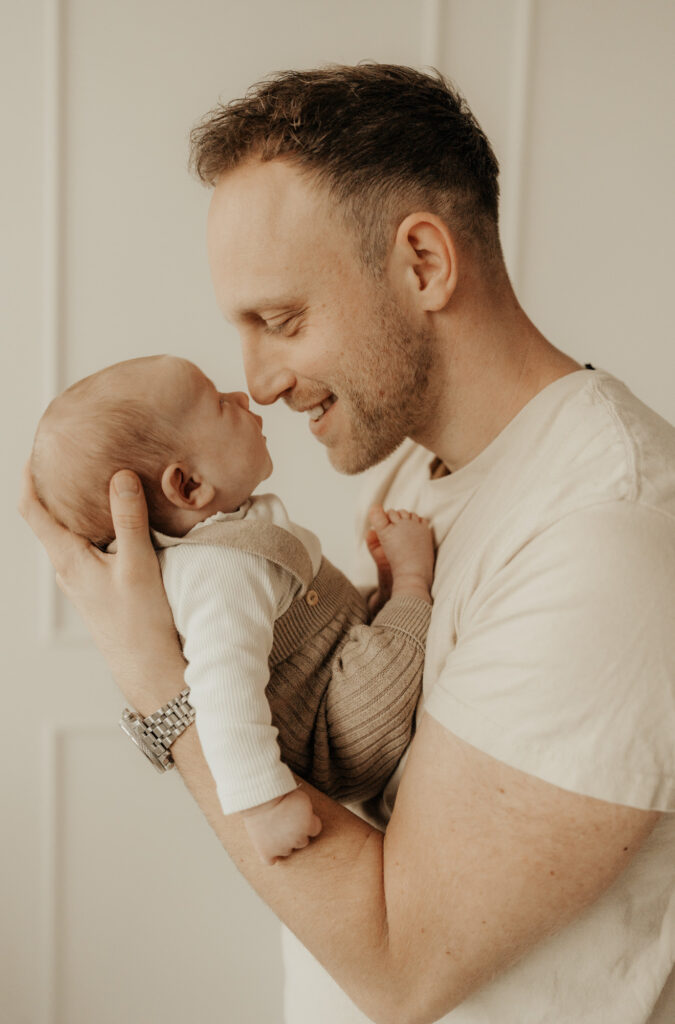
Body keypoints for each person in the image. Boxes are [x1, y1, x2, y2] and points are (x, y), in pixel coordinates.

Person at [20, 63, 675, 1024]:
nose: (258, 382)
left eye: (281, 320)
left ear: (423, 264)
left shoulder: (606, 536)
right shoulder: (418, 475)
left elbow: (401, 966)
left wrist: (158, 684)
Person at [30, 353, 434, 864]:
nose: (245, 397)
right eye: (221, 404)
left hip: (334, 674)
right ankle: (414, 579)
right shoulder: (219, 570)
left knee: (361, 623)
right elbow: (223, 686)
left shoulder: (223, 539)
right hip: (347, 728)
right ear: (189, 485)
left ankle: (392, 594)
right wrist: (263, 801)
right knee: (399, 635)